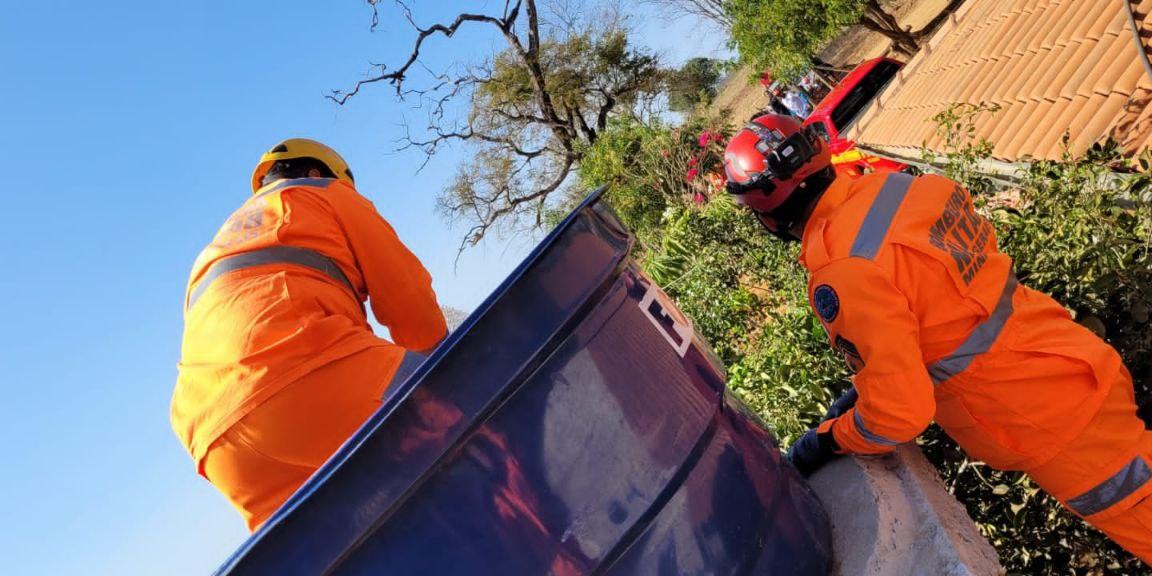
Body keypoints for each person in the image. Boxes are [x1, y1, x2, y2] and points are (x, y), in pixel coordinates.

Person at [722, 114, 1152, 564]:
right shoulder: (895, 189)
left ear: (769, 209)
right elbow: (944, 305)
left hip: (1048, 420)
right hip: (1068, 356)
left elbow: (898, 415)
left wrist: (830, 439)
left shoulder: (843, 271)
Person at [171, 138, 448, 531]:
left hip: (215, 444)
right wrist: (453, 372)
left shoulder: (213, 251)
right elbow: (409, 298)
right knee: (475, 425)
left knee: (356, 544)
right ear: (319, 172)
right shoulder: (322, 193)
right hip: (300, 373)